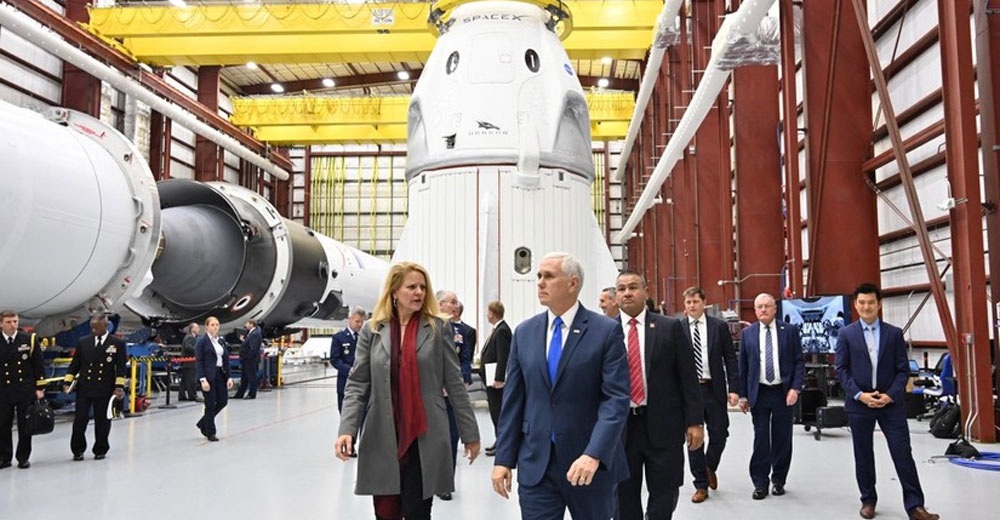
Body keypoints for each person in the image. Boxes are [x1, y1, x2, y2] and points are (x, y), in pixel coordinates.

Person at [335, 262, 480, 520]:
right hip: (383, 434)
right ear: (394, 291)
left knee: (417, 511)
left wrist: (470, 434)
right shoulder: (373, 329)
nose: (419, 292)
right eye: (411, 287)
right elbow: (357, 384)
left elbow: (455, 383)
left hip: (424, 434)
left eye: (423, 287)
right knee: (386, 512)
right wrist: (347, 430)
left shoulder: (438, 328)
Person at [492, 252, 630, 520]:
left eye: (549, 276)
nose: (540, 282)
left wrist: (594, 453)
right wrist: (503, 459)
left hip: (589, 464)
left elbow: (615, 399)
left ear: (573, 283)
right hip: (537, 464)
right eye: (539, 276)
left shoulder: (605, 331)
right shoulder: (525, 332)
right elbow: (514, 400)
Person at [835, 283, 939, 520]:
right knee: (863, 454)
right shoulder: (846, 334)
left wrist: (890, 395)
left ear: (879, 304)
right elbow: (841, 370)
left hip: (890, 405)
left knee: (902, 452)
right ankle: (868, 500)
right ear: (855, 305)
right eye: (861, 302)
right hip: (859, 404)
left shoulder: (893, 334)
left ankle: (915, 506)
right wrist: (860, 395)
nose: (866, 306)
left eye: (871, 302)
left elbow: (903, 371)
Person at [614, 272, 704, 520]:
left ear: (646, 291)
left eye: (633, 287)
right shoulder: (604, 331)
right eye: (621, 289)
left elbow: (687, 377)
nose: (627, 293)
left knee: (664, 496)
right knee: (623, 498)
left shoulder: (669, 327)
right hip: (621, 429)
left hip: (664, 427)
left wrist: (695, 422)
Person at [738, 293, 804, 500]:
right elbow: (743, 368)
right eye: (759, 307)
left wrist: (795, 388)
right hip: (759, 393)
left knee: (782, 438)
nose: (763, 310)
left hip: (782, 393)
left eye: (767, 306)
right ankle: (760, 483)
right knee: (761, 439)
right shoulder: (747, 334)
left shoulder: (789, 331)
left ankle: (779, 480)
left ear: (775, 308)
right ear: (755, 310)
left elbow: (798, 362)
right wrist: (742, 395)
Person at [681, 287, 739, 502]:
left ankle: (709, 466)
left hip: (713, 388)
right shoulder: (678, 328)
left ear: (704, 302)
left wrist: (734, 389)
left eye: (695, 301)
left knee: (720, 433)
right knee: (693, 437)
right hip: (689, 391)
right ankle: (701, 485)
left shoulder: (718, 327)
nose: (692, 305)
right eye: (688, 302)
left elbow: (730, 359)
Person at [62, 313, 126, 461]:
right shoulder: (83, 342)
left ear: (105, 326)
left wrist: (119, 387)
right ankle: (78, 449)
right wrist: (67, 382)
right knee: (80, 420)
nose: (93, 330)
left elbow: (121, 368)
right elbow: (75, 365)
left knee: (102, 421)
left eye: (96, 328)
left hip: (105, 388)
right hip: (85, 387)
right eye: (92, 327)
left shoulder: (116, 343)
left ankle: (100, 449)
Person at [435, 290, 473, 500]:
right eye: (452, 302)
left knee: (451, 436)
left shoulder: (460, 330)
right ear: (440, 305)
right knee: (433, 439)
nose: (456, 305)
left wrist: (464, 379)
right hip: (433, 393)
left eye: (456, 302)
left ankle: (445, 483)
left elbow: (464, 358)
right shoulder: (429, 327)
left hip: (453, 394)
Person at [0, 311, 45, 469]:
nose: (13, 325)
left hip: (24, 389)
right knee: (3, 425)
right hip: (3, 390)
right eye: (9, 322)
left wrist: (40, 387)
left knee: (25, 425)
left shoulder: (28, 339)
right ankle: (4, 457)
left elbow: (38, 365)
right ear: (1, 324)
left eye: (15, 321)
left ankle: (23, 457)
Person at [479, 300, 511, 457]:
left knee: (498, 412)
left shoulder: (502, 331)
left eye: (487, 312)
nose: (486, 315)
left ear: (491, 313)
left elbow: (502, 356)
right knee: (494, 411)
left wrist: (499, 378)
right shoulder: (496, 330)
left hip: (495, 381)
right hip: (490, 378)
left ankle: (502, 443)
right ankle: (499, 440)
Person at [195, 316, 233, 441]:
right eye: (212, 325)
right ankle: (210, 432)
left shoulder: (220, 341)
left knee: (223, 401)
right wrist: (202, 379)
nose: (215, 327)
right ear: (207, 327)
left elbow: (226, 360)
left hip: (220, 374)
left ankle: (203, 422)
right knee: (210, 404)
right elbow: (199, 361)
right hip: (208, 375)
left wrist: (228, 377)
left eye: (217, 324)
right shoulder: (202, 341)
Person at [331, 308, 366, 412]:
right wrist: (349, 370)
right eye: (357, 321)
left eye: (362, 322)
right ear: (350, 319)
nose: (360, 325)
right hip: (345, 383)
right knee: (346, 417)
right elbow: (335, 359)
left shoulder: (363, 337)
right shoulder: (339, 338)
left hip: (362, 385)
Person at [234, 319, 262, 399]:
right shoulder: (250, 333)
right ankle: (239, 394)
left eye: (247, 323)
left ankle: (252, 394)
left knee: (251, 377)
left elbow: (254, 348)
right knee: (245, 377)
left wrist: (248, 357)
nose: (245, 325)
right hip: (246, 359)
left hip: (250, 360)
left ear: (251, 324)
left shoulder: (254, 334)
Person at [179, 323, 200, 401]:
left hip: (187, 363)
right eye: (197, 328)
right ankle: (193, 396)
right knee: (191, 380)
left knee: (184, 381)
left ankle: (181, 396)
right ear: (192, 329)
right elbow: (188, 347)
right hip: (190, 362)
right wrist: (198, 350)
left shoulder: (191, 337)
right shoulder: (190, 337)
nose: (198, 329)